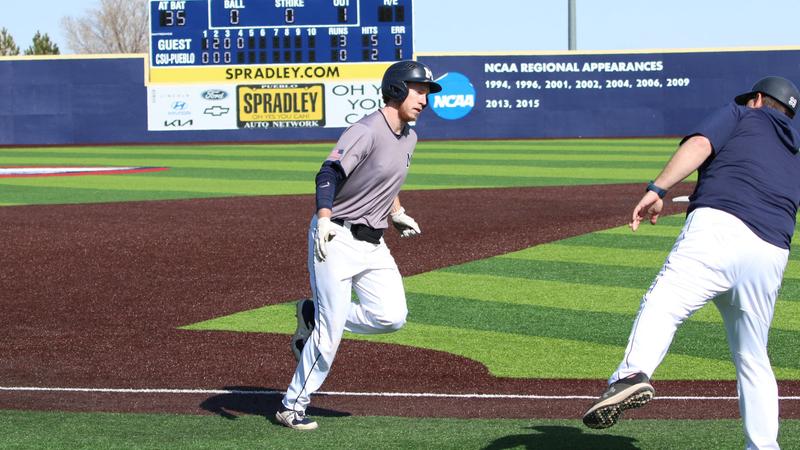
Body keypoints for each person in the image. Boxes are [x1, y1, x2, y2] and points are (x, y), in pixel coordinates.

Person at [582, 76, 800, 450]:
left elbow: (700, 143)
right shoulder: (794, 151)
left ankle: (631, 374)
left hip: (719, 230)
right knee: (752, 356)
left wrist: (658, 189)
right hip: (771, 252)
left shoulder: (741, 114)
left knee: (664, 304)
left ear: (759, 100)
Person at [274, 60, 442, 431]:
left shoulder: (409, 136)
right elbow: (328, 173)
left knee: (391, 316)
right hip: (336, 237)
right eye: (419, 91)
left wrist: (396, 211)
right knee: (329, 334)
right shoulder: (366, 130)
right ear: (397, 89)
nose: (425, 100)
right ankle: (292, 406)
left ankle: (313, 314)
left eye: (428, 92)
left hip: (374, 244)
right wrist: (322, 220)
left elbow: (386, 180)